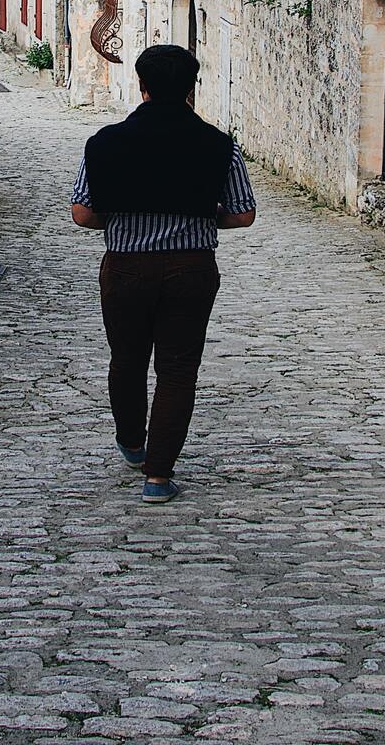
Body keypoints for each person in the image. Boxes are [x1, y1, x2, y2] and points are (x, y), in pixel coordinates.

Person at [70, 45, 256, 503]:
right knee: (177, 369)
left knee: (127, 359)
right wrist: (196, 216)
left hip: (126, 268)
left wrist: (120, 221)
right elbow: (243, 214)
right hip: (191, 269)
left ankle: (132, 443)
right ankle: (158, 476)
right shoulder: (219, 145)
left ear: (142, 85)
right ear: (192, 87)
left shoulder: (104, 142)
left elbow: (82, 213)